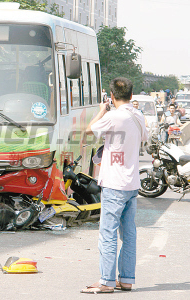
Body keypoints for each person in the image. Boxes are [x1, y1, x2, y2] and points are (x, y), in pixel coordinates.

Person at [81, 77, 148, 293]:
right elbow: (143, 139)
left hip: (113, 184)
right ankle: (126, 279)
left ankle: (107, 282)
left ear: (112, 96)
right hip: (131, 184)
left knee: (108, 233)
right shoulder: (138, 115)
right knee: (128, 234)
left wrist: (102, 109)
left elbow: (88, 131)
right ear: (131, 95)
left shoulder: (112, 116)